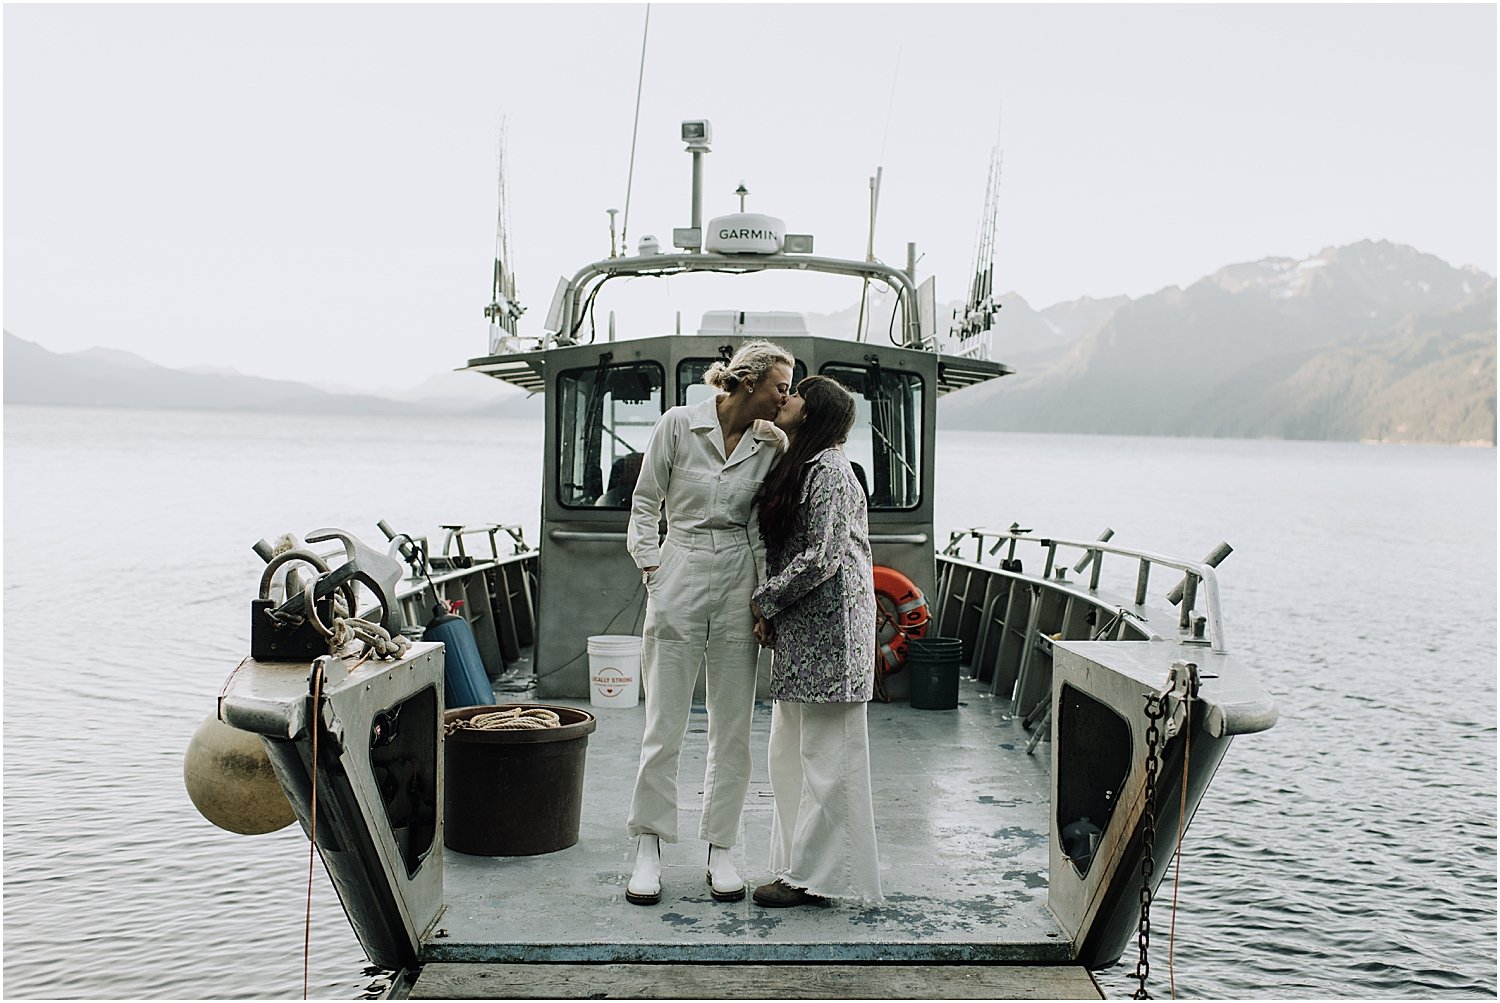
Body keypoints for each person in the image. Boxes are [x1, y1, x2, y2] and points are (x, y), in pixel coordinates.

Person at [624, 339, 795, 906]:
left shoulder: (769, 445)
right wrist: (653, 566)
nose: (785, 396)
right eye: (779, 386)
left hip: (739, 577)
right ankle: (649, 845)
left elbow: (762, 527)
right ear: (748, 383)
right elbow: (646, 502)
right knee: (664, 720)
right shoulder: (678, 425)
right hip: (679, 565)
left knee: (732, 726)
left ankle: (722, 848)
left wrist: (764, 597)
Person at [748, 375, 884, 908]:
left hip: (834, 631)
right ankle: (794, 863)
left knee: (831, 760)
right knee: (792, 754)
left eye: (797, 394)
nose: (787, 399)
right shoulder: (802, 466)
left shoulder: (831, 471)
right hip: (807, 631)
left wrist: (764, 600)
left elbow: (823, 556)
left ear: (814, 413)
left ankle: (816, 878)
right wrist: (774, 612)